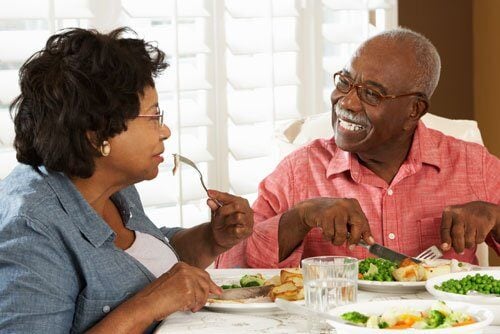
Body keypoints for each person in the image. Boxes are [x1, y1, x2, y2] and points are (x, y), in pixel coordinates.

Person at [0, 27, 253, 333]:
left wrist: (212, 239)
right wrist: (148, 305)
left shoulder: (110, 186)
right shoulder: (31, 232)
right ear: (97, 134)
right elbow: (155, 291)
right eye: (153, 116)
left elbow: (144, 261)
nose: (165, 131)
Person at [215, 27, 499, 269]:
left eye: (371, 94)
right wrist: (301, 217)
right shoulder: (299, 171)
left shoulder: (473, 165)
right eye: (345, 82)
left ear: (414, 110)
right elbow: (231, 266)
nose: (346, 102)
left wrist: (496, 218)